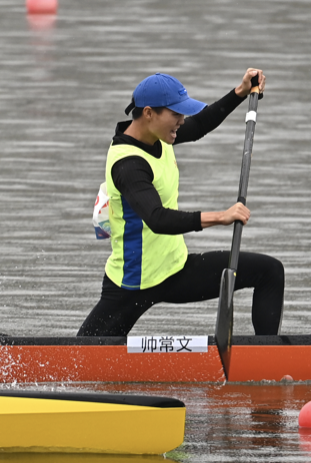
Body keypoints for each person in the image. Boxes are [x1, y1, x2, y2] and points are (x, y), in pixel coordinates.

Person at [77, 69, 284, 337]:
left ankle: (267, 356)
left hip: (176, 269)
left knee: (269, 272)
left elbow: (199, 125)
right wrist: (221, 216)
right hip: (133, 283)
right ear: (149, 113)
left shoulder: (159, 135)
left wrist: (240, 92)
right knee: (79, 354)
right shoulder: (128, 164)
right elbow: (158, 219)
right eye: (176, 115)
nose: (182, 121)